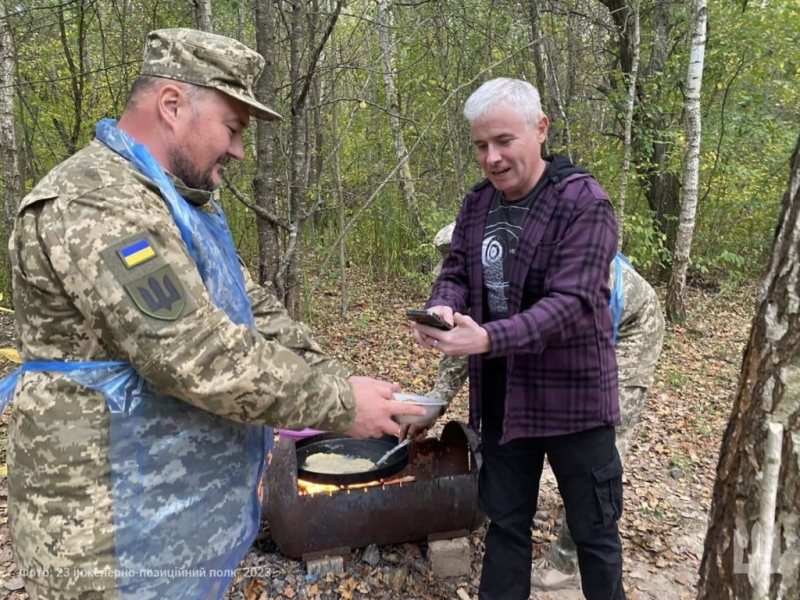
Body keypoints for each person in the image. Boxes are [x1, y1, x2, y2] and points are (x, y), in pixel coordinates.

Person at [1, 28, 424, 600]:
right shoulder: (97, 203)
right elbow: (193, 353)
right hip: (108, 537)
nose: (239, 151)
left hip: (170, 521)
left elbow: (251, 307)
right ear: (172, 105)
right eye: (233, 127)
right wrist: (342, 406)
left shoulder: (174, 204)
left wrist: (337, 380)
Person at [410, 77, 624, 600]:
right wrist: (444, 303)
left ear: (540, 128)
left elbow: (571, 305)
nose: (492, 157)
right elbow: (457, 269)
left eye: (504, 141)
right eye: (481, 146)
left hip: (575, 397)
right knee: (506, 525)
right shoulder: (478, 203)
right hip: (505, 398)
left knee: (594, 533)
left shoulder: (584, 203)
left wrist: (486, 338)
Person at [424, 221, 665, 591]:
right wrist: (434, 403)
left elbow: (545, 338)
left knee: (597, 446)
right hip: (568, 334)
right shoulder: (478, 275)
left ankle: (569, 558)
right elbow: (462, 348)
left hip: (629, 325)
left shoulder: (536, 269)